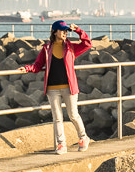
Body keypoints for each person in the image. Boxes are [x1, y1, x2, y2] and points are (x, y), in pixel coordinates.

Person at [20, 20, 92, 154]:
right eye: (62, 30)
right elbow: (37, 65)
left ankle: (83, 138)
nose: (65, 33)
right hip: (52, 89)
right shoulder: (46, 49)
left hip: (69, 88)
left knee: (73, 115)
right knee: (57, 118)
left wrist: (78, 31)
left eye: (66, 31)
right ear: (54, 32)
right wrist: (27, 68)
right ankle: (61, 145)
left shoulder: (71, 48)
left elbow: (87, 44)